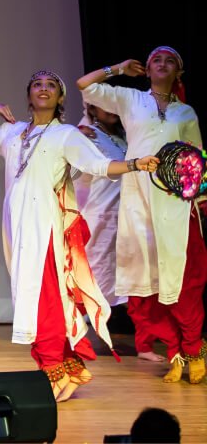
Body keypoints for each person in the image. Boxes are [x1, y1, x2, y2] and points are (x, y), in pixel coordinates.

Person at [0, 70, 157, 400]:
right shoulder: (13, 132)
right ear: (29, 95)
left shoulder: (66, 134)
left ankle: (52, 367)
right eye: (37, 83)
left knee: (44, 298)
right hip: (16, 224)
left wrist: (136, 165)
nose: (44, 88)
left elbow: (100, 166)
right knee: (33, 294)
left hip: (44, 222)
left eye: (51, 85)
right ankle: (66, 366)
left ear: (61, 97)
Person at [78, 47, 206, 382]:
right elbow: (84, 85)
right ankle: (176, 350)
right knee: (148, 278)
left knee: (179, 276)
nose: (162, 64)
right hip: (138, 198)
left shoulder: (186, 112)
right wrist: (118, 67)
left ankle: (191, 349)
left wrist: (197, 199)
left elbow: (196, 159)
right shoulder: (130, 99)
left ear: (179, 71)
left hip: (174, 201)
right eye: (155, 60)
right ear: (146, 70)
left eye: (170, 61)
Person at [74, 104, 129, 307]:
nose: (112, 109)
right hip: (100, 211)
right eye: (104, 105)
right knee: (98, 267)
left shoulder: (123, 135)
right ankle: (82, 323)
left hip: (123, 212)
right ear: (92, 110)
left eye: (115, 104)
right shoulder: (87, 134)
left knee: (122, 269)